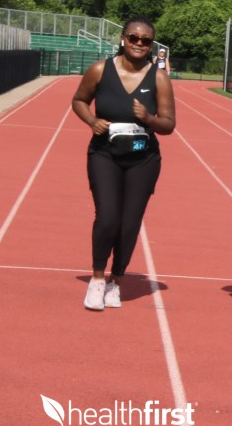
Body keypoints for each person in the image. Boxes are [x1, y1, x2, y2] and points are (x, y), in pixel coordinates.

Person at [71, 16, 176, 310]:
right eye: (134, 38)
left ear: (151, 45)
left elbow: (169, 125)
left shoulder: (158, 78)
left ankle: (115, 280)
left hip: (143, 159)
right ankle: (97, 279)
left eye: (146, 40)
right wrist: (92, 120)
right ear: (123, 39)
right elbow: (79, 100)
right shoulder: (100, 70)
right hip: (105, 153)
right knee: (108, 217)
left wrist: (148, 118)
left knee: (129, 224)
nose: (139, 43)